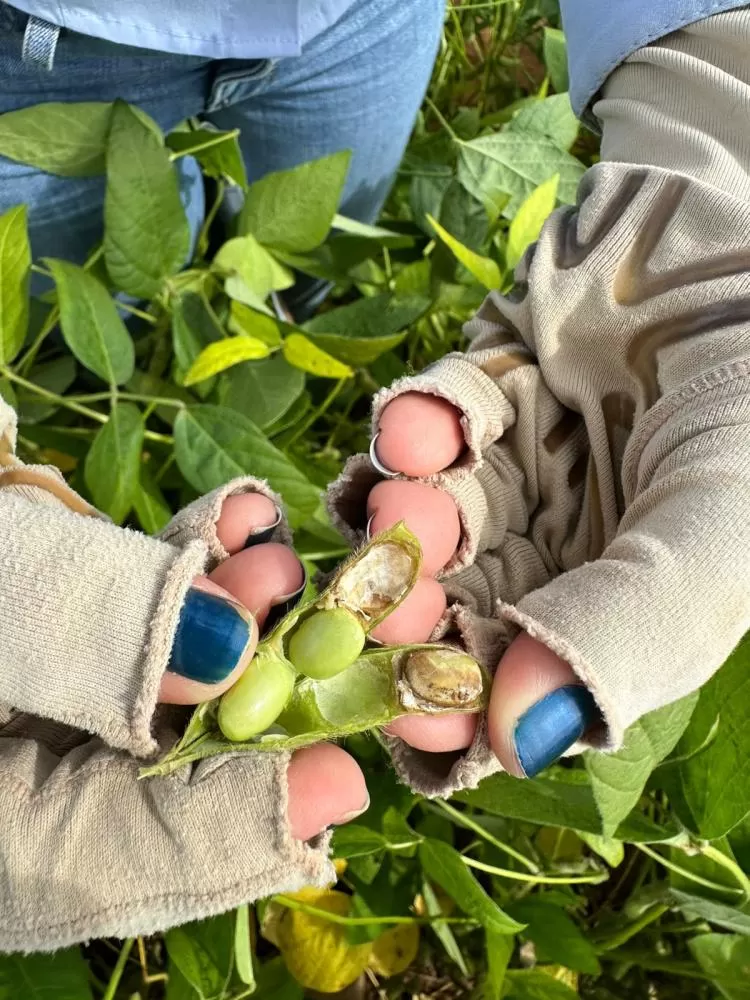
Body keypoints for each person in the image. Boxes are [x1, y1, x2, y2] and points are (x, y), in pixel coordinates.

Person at [1, 0, 749, 952]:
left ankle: (260, 305)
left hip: (362, 18)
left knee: (300, 264)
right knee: (78, 268)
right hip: (42, 47)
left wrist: (723, 94)